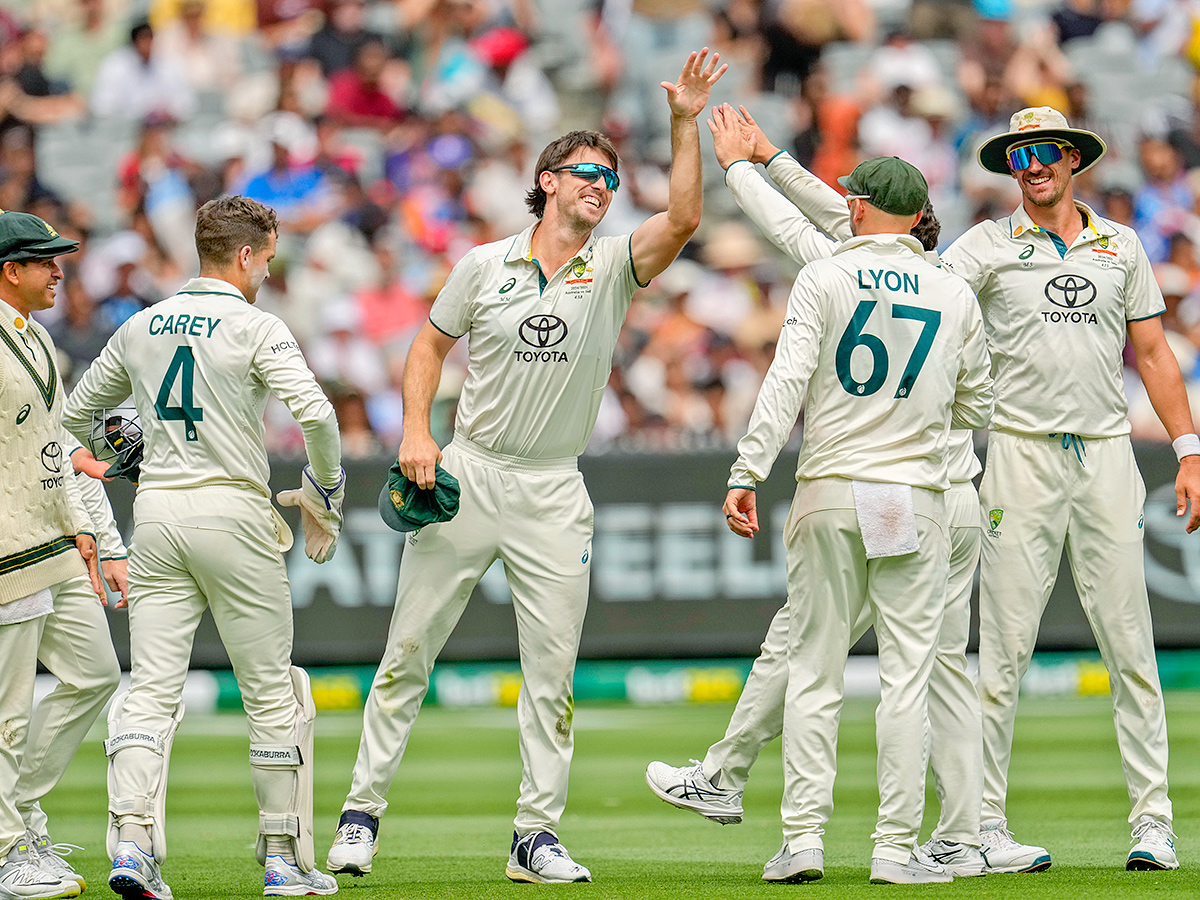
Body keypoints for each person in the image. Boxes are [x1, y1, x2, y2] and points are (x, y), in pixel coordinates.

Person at [324, 49, 726, 885]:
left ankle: (534, 836)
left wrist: (685, 123)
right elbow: (428, 345)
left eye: (610, 180)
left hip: (553, 486)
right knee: (408, 653)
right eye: (586, 173)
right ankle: (360, 815)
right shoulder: (483, 264)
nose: (601, 188)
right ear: (546, 180)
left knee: (551, 675)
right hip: (469, 472)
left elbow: (683, 218)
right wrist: (414, 432)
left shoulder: (613, 264)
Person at [646, 105, 996, 878]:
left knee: (813, 670)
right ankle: (897, 850)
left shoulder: (825, 272)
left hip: (833, 485)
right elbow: (978, 405)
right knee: (910, 678)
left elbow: (786, 382)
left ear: (859, 207)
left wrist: (746, 470)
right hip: (917, 494)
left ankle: (802, 840)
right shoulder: (952, 290)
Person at [62, 195, 346, 898]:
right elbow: (315, 411)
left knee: (151, 690)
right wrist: (325, 492)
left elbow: (75, 416)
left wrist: (120, 452)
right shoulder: (256, 325)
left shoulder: (141, 324)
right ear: (245, 254)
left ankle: (131, 843)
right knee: (269, 691)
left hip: (156, 513)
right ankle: (282, 856)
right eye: (268, 261)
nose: (268, 275)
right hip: (233, 511)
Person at [939, 107, 1200, 871]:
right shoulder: (984, 246)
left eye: (1047, 151)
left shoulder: (1119, 246)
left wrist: (1188, 449)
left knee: (1132, 647)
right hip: (1018, 455)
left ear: (1073, 160)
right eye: (1020, 154)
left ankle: (1153, 824)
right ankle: (982, 824)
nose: (1033, 165)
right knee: (1004, 653)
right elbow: (924, 306)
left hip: (1108, 454)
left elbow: (1151, 352)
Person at [0, 209, 107, 900]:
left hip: (54, 539)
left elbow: (50, 442)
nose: (58, 271)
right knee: (7, 712)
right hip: (6, 550)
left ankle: (20, 814)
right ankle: (7, 852)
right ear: (10, 269)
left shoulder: (36, 339)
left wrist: (83, 524)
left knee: (94, 674)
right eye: (44, 261)